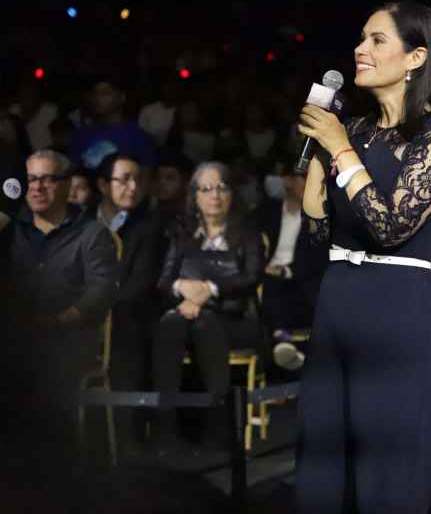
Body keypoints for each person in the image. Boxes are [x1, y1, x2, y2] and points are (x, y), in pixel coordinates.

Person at [293, 0, 431, 513]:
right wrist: (321, 153)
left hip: (398, 314)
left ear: (416, 57)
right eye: (361, 38)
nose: (360, 49)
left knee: (386, 481)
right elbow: (318, 235)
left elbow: (392, 227)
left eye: (376, 40)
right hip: (337, 307)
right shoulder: (355, 130)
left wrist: (340, 150)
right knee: (324, 476)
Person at [152, 162, 264, 454]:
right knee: (170, 323)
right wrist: (183, 289)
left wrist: (209, 290)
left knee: (205, 324)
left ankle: (218, 430)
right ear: (195, 196)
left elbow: (251, 278)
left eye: (222, 187)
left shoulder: (248, 233)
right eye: (206, 188)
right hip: (186, 314)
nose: (215, 195)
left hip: (234, 318)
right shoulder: (181, 232)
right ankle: (166, 430)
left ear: (232, 193)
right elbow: (164, 281)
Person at [7, 150, 118, 419]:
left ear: (67, 185)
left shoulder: (92, 234)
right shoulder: (9, 231)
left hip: (68, 337)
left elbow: (102, 289)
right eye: (31, 179)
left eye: (48, 179)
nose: (37, 187)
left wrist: (62, 320)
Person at [90, 152, 166, 457]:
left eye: (138, 180)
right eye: (124, 180)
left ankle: (125, 439)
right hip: (81, 315)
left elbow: (141, 283)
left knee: (127, 332)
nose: (133, 187)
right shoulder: (83, 220)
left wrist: (101, 306)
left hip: (126, 313)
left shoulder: (148, 225)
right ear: (103, 185)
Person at [257, 155, 328, 364]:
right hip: (266, 280)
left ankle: (282, 340)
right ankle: (284, 345)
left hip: (302, 283)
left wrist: (286, 271)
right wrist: (265, 268)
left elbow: (317, 260)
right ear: (287, 180)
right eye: (304, 177)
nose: (311, 183)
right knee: (269, 283)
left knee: (286, 285)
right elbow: (250, 246)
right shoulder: (266, 211)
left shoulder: (319, 217)